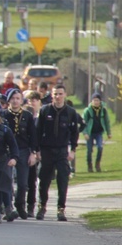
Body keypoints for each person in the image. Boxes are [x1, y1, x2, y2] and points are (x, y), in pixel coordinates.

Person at [35, 85, 79, 222]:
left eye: (60, 94)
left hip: (61, 151)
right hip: (46, 150)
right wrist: (37, 150)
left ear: (65, 94)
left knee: (63, 180)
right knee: (44, 179)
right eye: (55, 94)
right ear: (52, 95)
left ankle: (61, 209)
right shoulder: (45, 110)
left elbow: (74, 133)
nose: (57, 96)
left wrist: (72, 150)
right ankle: (42, 206)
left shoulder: (70, 112)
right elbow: (37, 131)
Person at [3, 88, 36, 219]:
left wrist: (33, 153)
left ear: (22, 100)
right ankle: (8, 207)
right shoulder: (4, 114)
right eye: (13, 98)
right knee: (7, 180)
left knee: (23, 183)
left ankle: (20, 204)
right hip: (7, 151)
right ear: (9, 100)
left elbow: (33, 135)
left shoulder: (27, 116)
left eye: (18, 98)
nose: (15, 101)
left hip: (23, 150)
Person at [82, 93, 112, 173]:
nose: (96, 102)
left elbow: (106, 122)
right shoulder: (87, 110)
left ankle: (97, 164)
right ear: (91, 101)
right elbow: (83, 123)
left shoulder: (103, 110)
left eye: (97, 100)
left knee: (100, 147)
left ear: (100, 101)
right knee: (89, 150)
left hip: (99, 132)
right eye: (94, 100)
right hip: (90, 133)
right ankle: (89, 165)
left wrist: (109, 133)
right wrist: (85, 133)